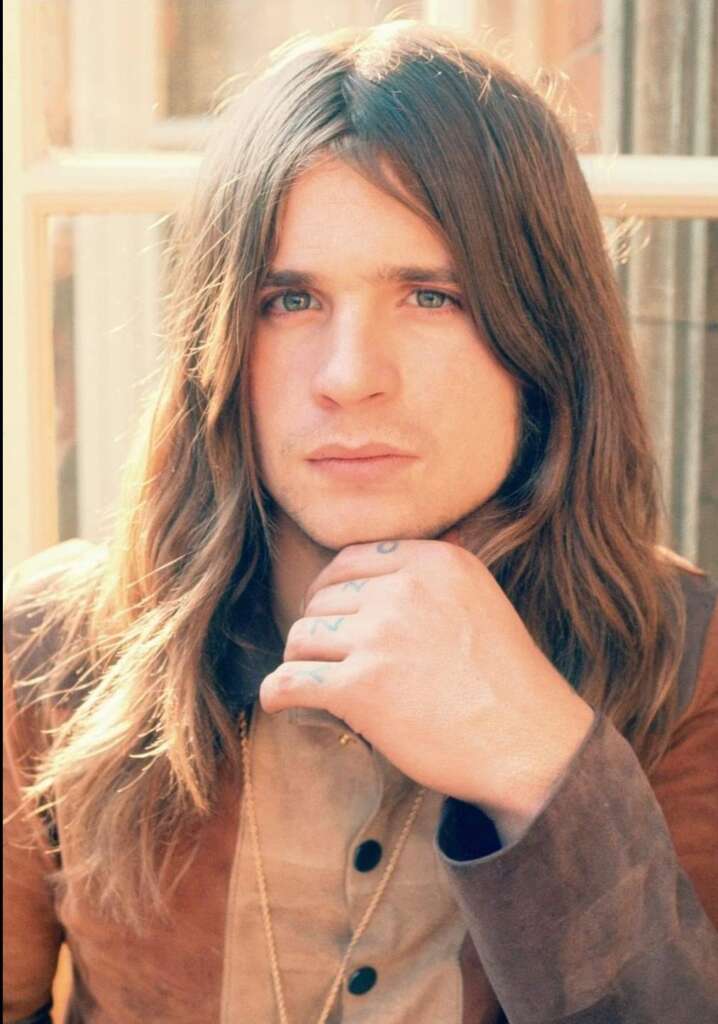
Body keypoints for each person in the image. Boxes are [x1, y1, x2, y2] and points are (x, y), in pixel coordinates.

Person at [4, 18, 717, 1024]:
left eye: (431, 295)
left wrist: (541, 762)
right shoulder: (51, 650)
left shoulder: (686, 660)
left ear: (542, 331)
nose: (348, 378)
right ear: (219, 339)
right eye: (288, 300)